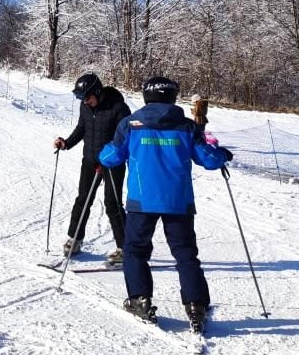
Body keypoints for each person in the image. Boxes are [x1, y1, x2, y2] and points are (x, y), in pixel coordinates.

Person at [98, 76, 233, 332]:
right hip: (178, 201)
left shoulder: (131, 125)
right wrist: (223, 154)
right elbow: (208, 159)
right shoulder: (186, 127)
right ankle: (196, 305)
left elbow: (110, 157)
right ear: (172, 97)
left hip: (141, 201)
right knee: (185, 253)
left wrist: (101, 153)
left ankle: (139, 298)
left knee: (136, 251)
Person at [53, 72, 131, 262]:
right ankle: (75, 239)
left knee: (112, 204)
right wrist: (67, 143)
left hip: (112, 161)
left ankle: (126, 247)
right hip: (90, 159)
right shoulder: (86, 106)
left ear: (97, 91)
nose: (85, 101)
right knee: (83, 199)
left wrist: (110, 158)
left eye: (86, 97)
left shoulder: (119, 107)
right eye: (81, 98)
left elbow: (127, 137)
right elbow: (82, 128)